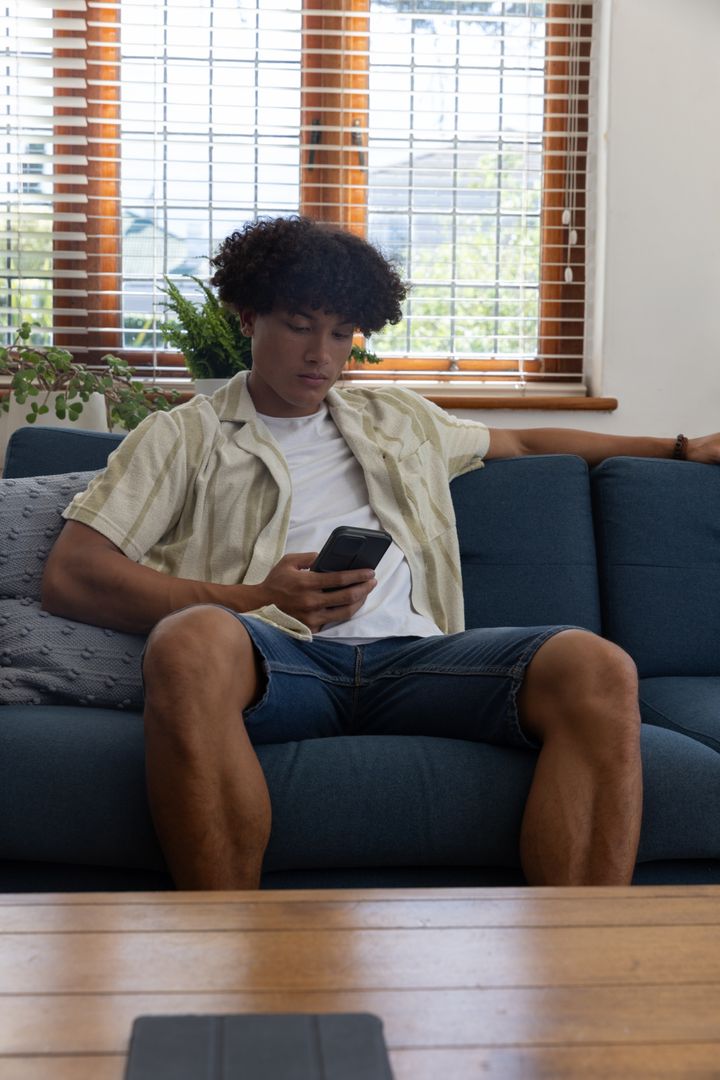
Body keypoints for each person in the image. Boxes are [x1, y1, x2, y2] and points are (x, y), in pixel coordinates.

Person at [41, 216, 720, 891]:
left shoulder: (396, 418)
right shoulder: (182, 435)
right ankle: (231, 954)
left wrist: (682, 449)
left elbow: (524, 445)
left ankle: (581, 965)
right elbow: (73, 576)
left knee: (596, 664)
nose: (322, 355)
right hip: (278, 658)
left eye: (341, 333)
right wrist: (258, 601)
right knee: (188, 644)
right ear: (249, 319)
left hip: (418, 660)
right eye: (301, 325)